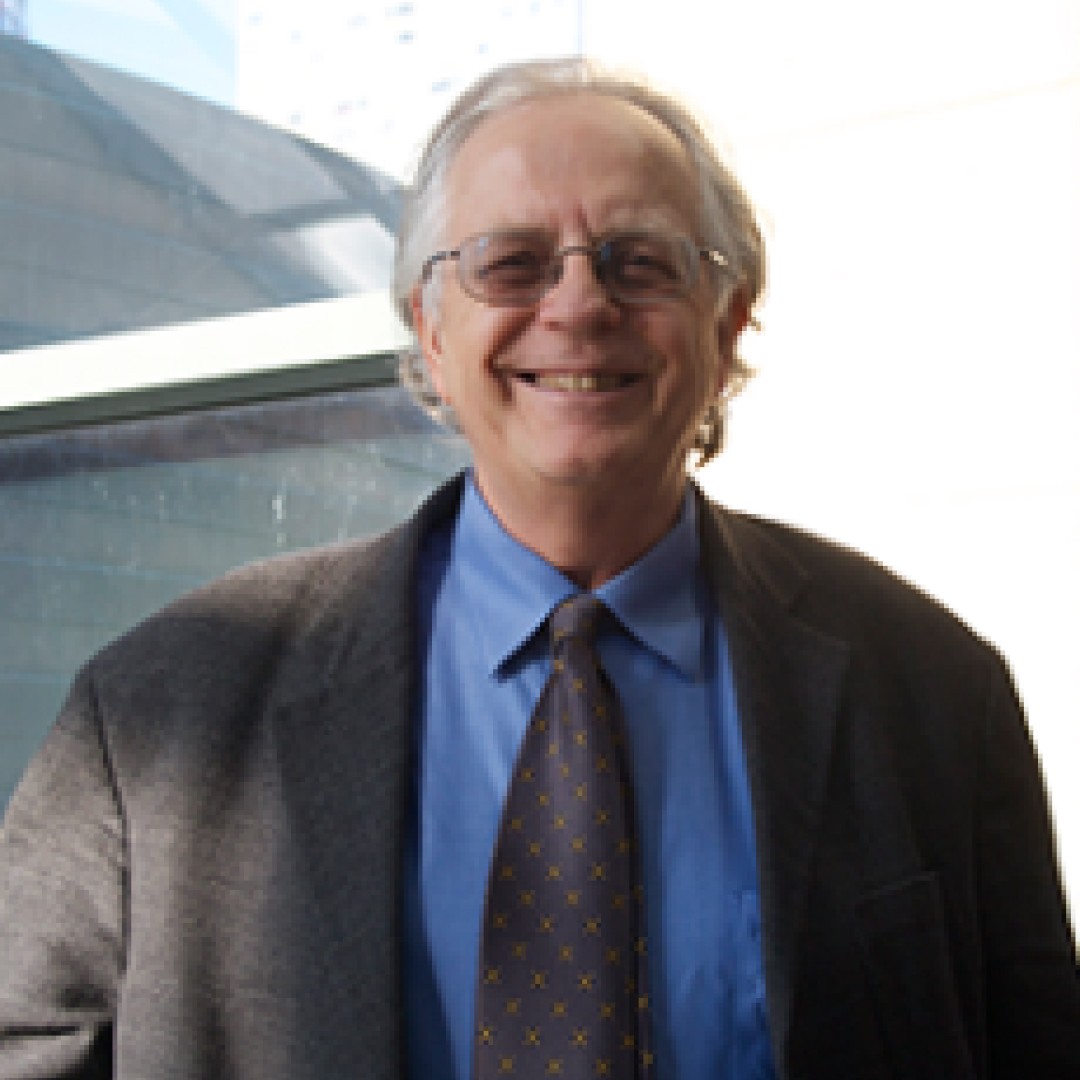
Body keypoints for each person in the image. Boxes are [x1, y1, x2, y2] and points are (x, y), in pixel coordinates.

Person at [1, 57, 1077, 1080]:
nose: (577, 305)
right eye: (512, 263)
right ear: (430, 327)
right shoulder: (154, 712)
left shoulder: (936, 690)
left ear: (728, 319)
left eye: (639, 261)